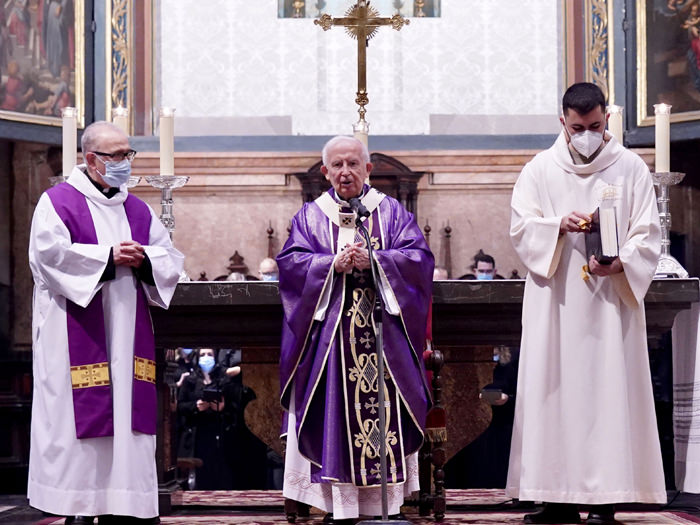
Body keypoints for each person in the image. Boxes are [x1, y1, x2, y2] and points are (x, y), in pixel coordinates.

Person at [506, 82, 665, 524]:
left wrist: (622, 263)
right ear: (563, 122)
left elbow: (648, 235)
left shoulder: (630, 167)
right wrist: (558, 224)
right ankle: (554, 499)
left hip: (608, 304)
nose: (587, 134)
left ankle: (604, 501)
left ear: (606, 120)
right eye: (578, 127)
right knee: (553, 393)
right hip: (555, 302)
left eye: (595, 125)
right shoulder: (539, 169)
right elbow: (521, 230)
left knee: (605, 394)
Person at [27, 121, 184, 525]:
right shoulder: (58, 203)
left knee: (126, 418)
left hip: (129, 329)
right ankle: (78, 504)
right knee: (76, 420)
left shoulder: (138, 209)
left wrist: (145, 258)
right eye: (117, 156)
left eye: (128, 155)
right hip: (73, 332)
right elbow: (48, 257)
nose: (125, 164)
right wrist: (107, 257)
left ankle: (124, 502)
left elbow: (170, 260)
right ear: (92, 159)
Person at [277, 136, 434, 522]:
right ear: (325, 170)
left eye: (352, 164)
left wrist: (377, 261)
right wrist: (332, 265)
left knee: (386, 413)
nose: (344, 172)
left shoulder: (392, 213)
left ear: (368, 168)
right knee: (333, 416)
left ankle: (389, 506)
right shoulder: (311, 217)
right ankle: (338, 507)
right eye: (337, 165)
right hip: (332, 341)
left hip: (384, 338)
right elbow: (292, 265)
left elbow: (419, 260)